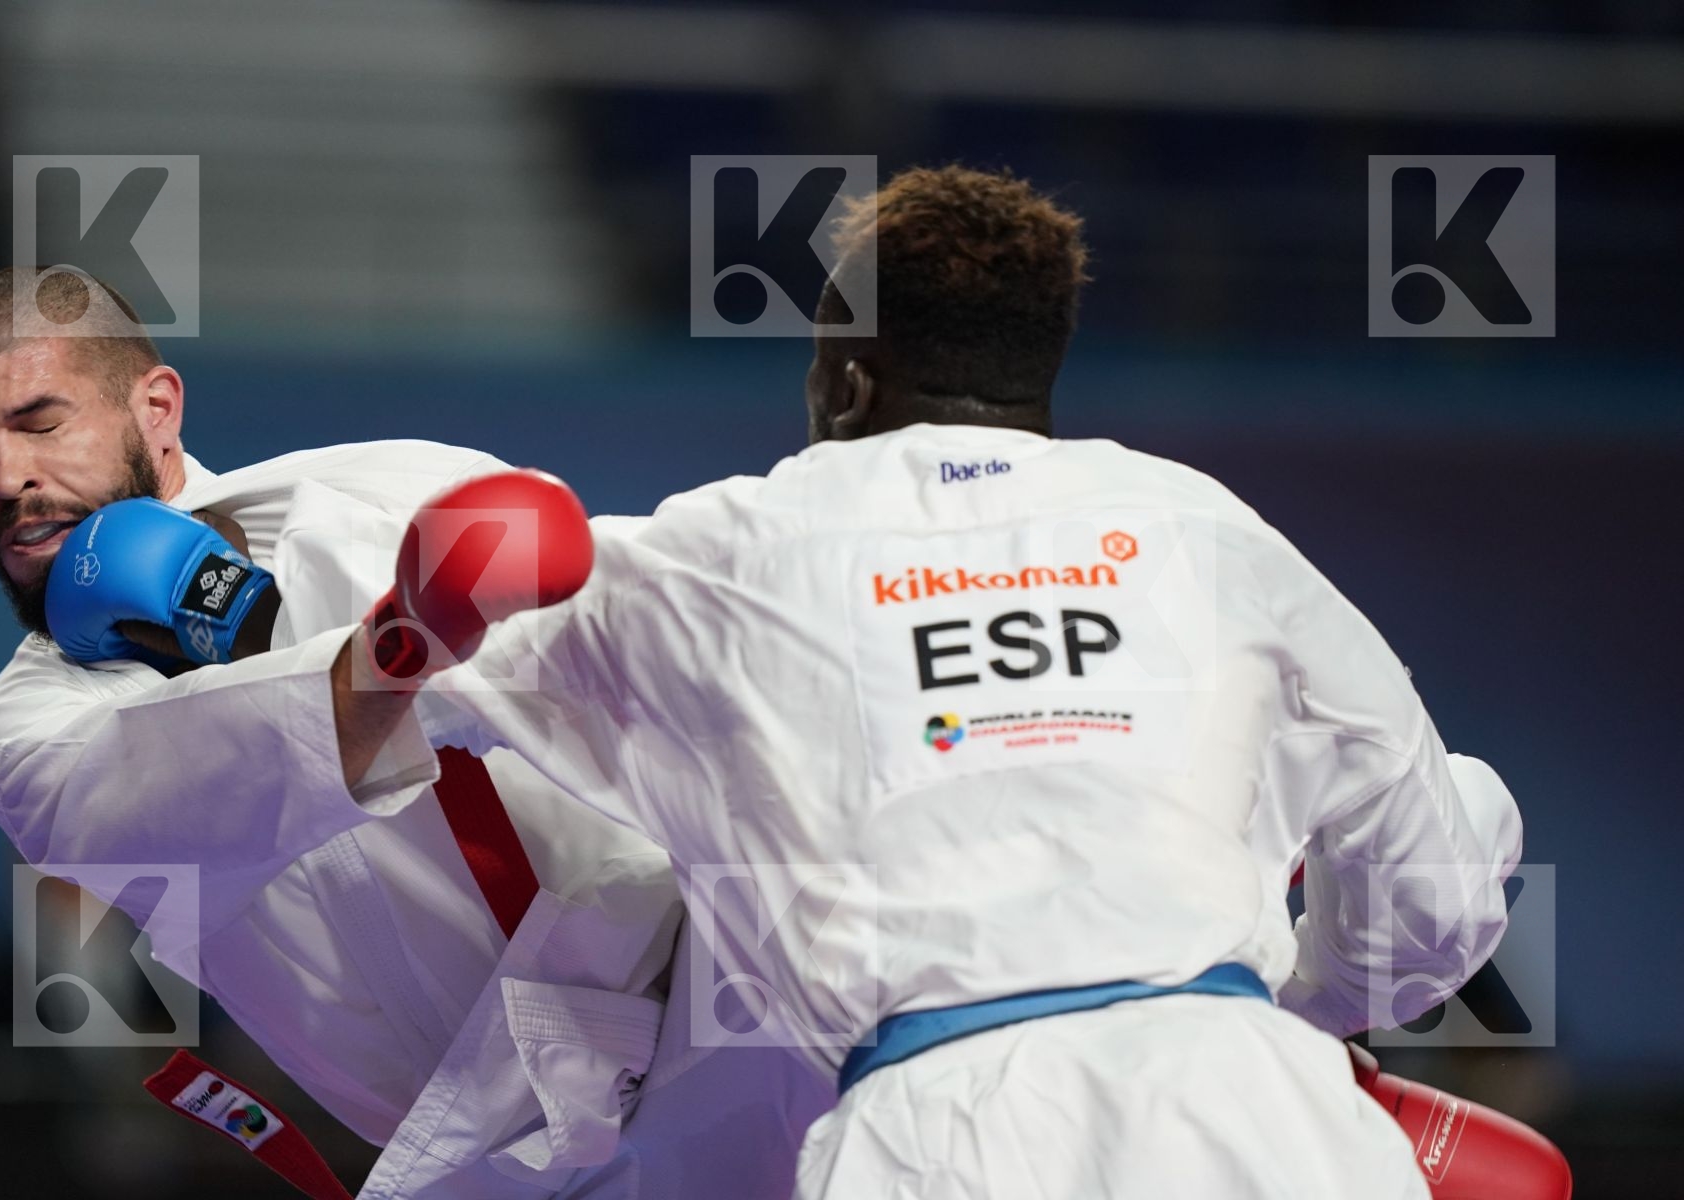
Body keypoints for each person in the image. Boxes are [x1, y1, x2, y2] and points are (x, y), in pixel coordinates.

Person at [334, 166, 1566, 1197]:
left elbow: (453, 645)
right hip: (1252, 1102)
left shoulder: (732, 548)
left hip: (947, 1135)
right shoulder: (1209, 530)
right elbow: (1441, 889)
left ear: (846, 381)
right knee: (1472, 797)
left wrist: (395, 632)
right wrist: (1304, 1011)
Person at [0, 267, 830, 1199]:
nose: (7, 479)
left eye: (41, 423)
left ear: (155, 407)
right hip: (492, 1158)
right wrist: (392, 651)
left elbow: (644, 635)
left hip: (696, 1001)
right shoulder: (23, 730)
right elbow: (171, 806)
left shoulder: (375, 494)